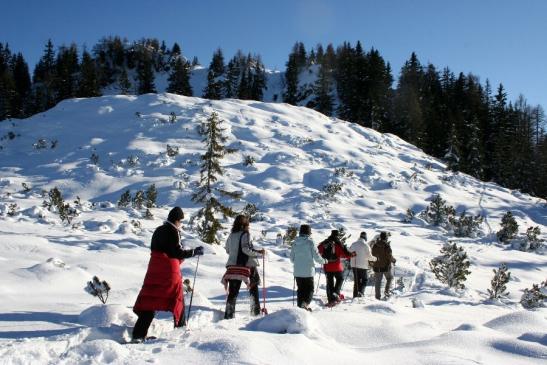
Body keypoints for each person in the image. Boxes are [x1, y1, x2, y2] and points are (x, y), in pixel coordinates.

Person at [132, 207, 204, 342]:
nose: (181, 224)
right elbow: (176, 253)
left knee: (150, 300)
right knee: (177, 299)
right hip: (168, 272)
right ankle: (180, 329)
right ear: (177, 220)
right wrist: (194, 252)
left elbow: (160, 250)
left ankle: (138, 334)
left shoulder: (159, 230)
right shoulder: (173, 231)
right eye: (181, 221)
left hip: (154, 269)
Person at [223, 215, 265, 319]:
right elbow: (245, 249)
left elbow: (227, 250)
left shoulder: (231, 235)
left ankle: (228, 315)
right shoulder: (245, 234)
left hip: (232, 267)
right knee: (253, 289)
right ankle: (255, 313)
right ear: (245, 224)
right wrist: (259, 254)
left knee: (233, 293)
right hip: (247, 266)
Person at [290, 224, 326, 311]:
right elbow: (317, 257)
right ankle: (305, 304)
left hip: (298, 272)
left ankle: (300, 309)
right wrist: (324, 261)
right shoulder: (310, 242)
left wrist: (298, 263)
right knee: (310, 290)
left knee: (300, 290)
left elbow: (292, 258)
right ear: (309, 233)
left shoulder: (295, 242)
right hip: (308, 271)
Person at [317, 230, 354, 305]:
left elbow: (318, 250)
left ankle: (330, 299)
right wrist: (352, 255)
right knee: (340, 279)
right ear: (337, 235)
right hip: (337, 266)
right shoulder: (338, 243)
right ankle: (336, 293)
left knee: (329, 282)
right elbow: (346, 254)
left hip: (327, 266)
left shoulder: (325, 242)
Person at [349, 231, 376, 298]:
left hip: (354, 265)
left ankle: (355, 296)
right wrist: (375, 259)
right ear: (365, 237)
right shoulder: (366, 245)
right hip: (363, 266)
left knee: (356, 281)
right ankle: (361, 293)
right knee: (365, 280)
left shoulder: (353, 244)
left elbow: (349, 252)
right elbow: (369, 257)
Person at [371, 231, 396, 300]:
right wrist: (393, 260)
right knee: (389, 278)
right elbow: (389, 256)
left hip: (376, 266)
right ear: (386, 238)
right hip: (385, 267)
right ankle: (386, 292)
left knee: (378, 281)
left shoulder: (375, 245)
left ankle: (377, 297)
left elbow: (372, 254)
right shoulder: (386, 246)